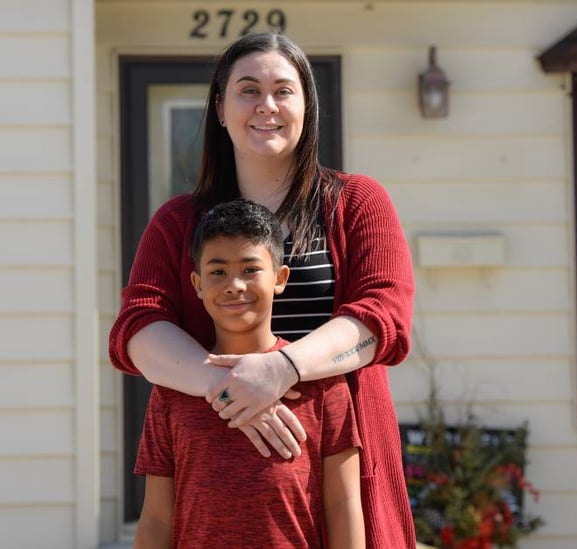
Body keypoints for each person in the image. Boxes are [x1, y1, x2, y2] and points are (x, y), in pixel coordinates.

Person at [109, 31, 416, 548]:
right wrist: (232, 388)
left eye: (283, 90)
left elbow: (383, 317)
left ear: (307, 107)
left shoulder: (357, 203)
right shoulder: (177, 221)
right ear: (221, 109)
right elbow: (138, 327)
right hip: (211, 490)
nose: (266, 106)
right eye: (248, 90)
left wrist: (280, 369)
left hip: (341, 462)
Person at [134, 199, 364, 548]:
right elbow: (155, 520)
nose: (234, 285)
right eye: (218, 272)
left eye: (250, 269)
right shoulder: (172, 391)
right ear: (197, 284)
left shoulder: (324, 386)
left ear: (280, 278)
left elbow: (342, 506)